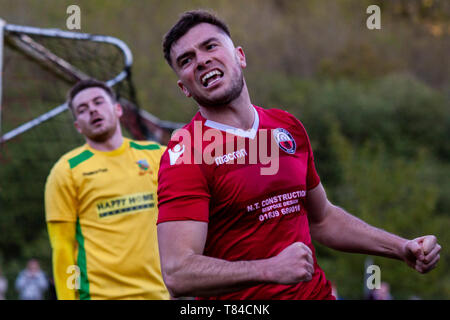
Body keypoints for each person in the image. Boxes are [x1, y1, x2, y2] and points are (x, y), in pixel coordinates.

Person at [156, 10, 442, 300]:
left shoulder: (286, 126)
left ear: (240, 56)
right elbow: (178, 273)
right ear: (184, 88)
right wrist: (268, 270)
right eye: (186, 60)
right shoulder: (186, 154)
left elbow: (323, 219)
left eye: (210, 46)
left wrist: (401, 247)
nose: (202, 60)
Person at [44, 79, 169, 300]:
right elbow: (62, 248)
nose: (92, 110)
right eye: (82, 109)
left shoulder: (157, 156)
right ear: (77, 126)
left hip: (159, 294)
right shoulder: (66, 170)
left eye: (98, 102)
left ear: (118, 109)